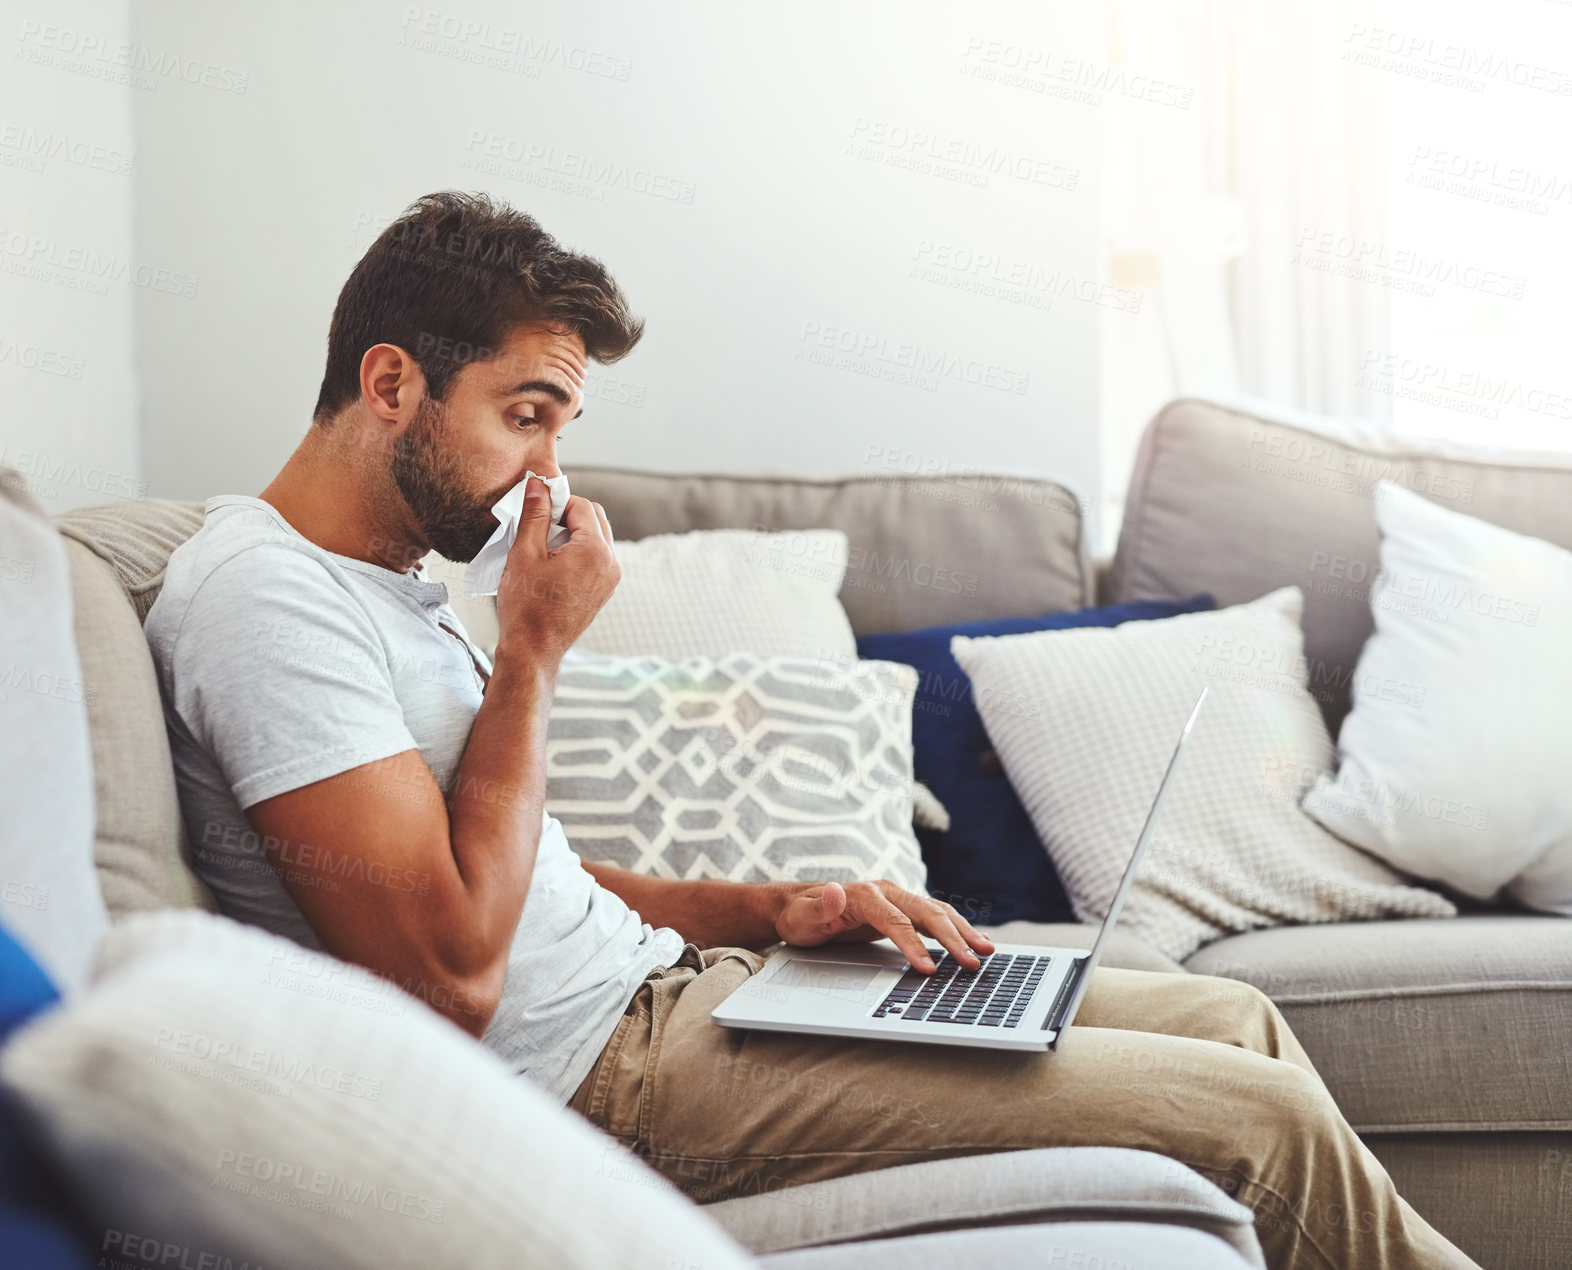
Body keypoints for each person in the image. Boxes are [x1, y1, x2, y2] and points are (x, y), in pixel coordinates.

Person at [144, 191, 1477, 1270]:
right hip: (599, 1078)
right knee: (1264, 1124)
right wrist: (533, 651)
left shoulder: (388, 587)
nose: (550, 474)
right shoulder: (263, 600)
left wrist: (764, 907)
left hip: (676, 995)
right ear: (391, 383)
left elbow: (512, 881)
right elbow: (446, 972)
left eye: (563, 424)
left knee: (1235, 1020)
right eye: (524, 415)